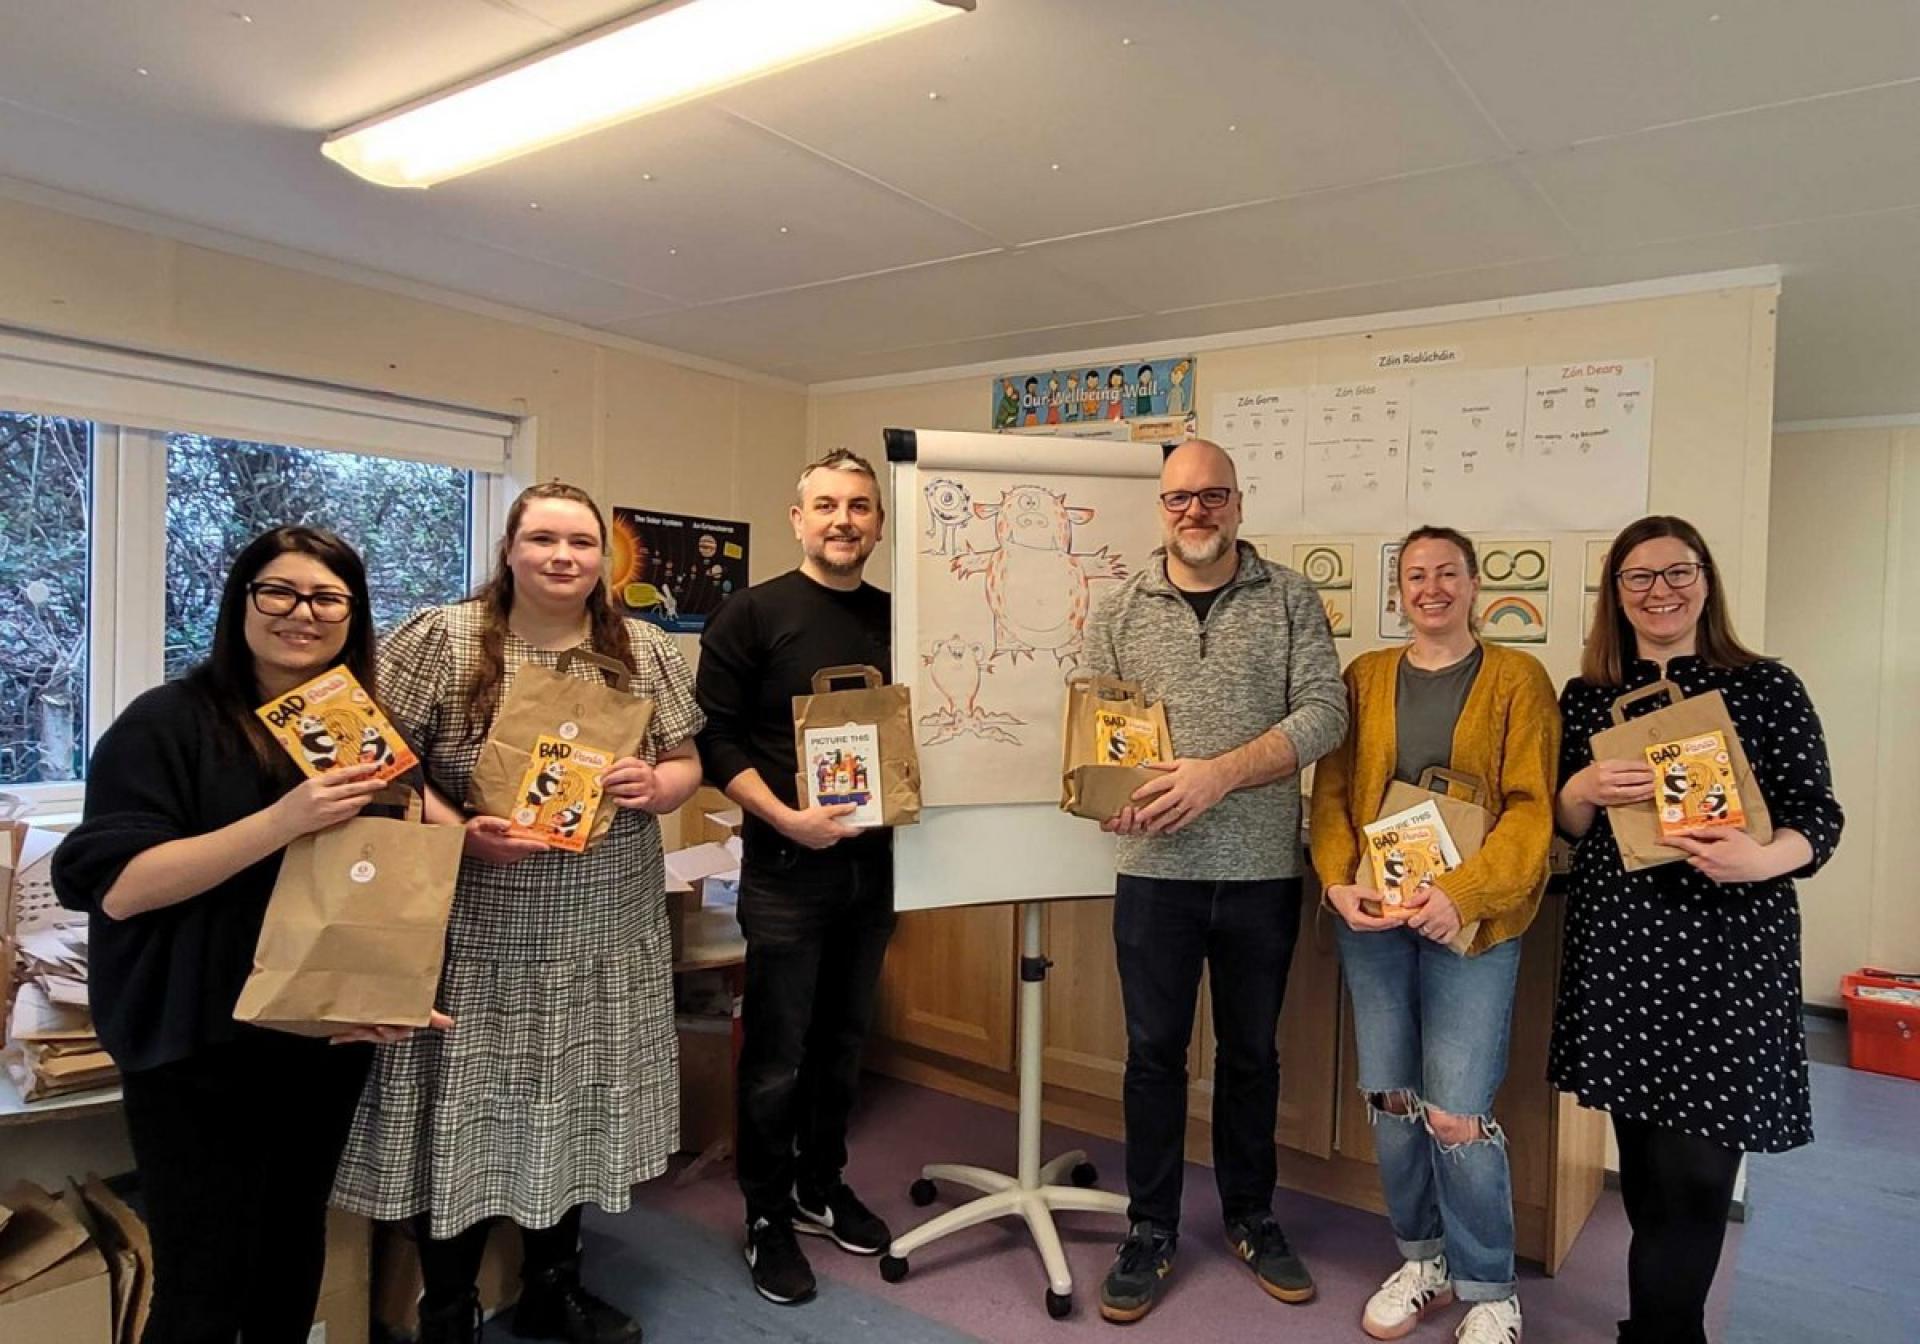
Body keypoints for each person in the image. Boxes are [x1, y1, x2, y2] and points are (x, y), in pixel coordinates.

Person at [332, 482, 705, 1344]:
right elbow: (383, 764)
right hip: (475, 925)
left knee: (575, 1104)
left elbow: (687, 759)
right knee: (467, 1113)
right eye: (543, 539)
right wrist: (464, 834)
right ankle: (449, 1305)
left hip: (604, 927)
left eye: (581, 542)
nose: (563, 557)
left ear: (601, 560)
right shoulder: (444, 638)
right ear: (509, 548)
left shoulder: (642, 647)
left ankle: (552, 1285)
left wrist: (657, 786)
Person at [52, 526, 427, 1343]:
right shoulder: (168, 721)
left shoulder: (365, 731)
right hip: (197, 1042)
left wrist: (387, 991)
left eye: (328, 597)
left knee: (290, 1256)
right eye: (279, 592)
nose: (303, 612)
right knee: (203, 1279)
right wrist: (282, 820)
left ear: (353, 615)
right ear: (242, 602)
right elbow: (120, 889)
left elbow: (386, 885)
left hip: (316, 1036)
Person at [1551, 516, 1842, 1344]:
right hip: (1622, 948)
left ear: (1706, 582)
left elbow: (1819, 816)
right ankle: (1657, 1322)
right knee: (1646, 1163)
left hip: (1730, 949)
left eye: (1677, 573)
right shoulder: (1589, 695)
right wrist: (1581, 787)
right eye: (1638, 578)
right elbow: (1565, 829)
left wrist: (1766, 859)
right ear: (1616, 595)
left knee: (1699, 1169)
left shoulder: (1765, 686)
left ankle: (1666, 1332)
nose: (1660, 592)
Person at [1084, 439, 1347, 1323]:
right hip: (1152, 871)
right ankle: (1150, 1227)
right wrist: (1113, 795)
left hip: (1262, 873)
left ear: (1239, 504)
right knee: (1153, 1058)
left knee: (1252, 1057)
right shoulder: (1120, 606)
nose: (1195, 512)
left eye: (1213, 497)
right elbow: (1100, 724)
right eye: (1179, 499)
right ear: (1160, 507)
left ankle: (1251, 1215)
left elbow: (1325, 714)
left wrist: (1219, 773)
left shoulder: (1290, 597)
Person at [1311, 526, 1560, 1344]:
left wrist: (1463, 893)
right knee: (1391, 1098)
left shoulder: (1519, 680)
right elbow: (1336, 791)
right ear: (1398, 591)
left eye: (1446, 573)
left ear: (1473, 585)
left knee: (1455, 1112)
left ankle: (1490, 1285)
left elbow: (1531, 808)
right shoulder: (1365, 677)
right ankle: (1424, 1260)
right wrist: (1339, 881)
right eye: (1415, 576)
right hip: (1374, 922)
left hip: (1473, 926)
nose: (1430, 588)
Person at [694, 448, 896, 1306]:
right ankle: (767, 1215)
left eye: (859, 506)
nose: (843, 520)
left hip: (876, 867)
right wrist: (784, 817)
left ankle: (822, 1183)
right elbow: (715, 741)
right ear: (797, 518)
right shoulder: (752, 613)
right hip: (785, 864)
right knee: (776, 1054)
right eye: (826, 505)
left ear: (877, 522)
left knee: (844, 1041)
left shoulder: (897, 617)